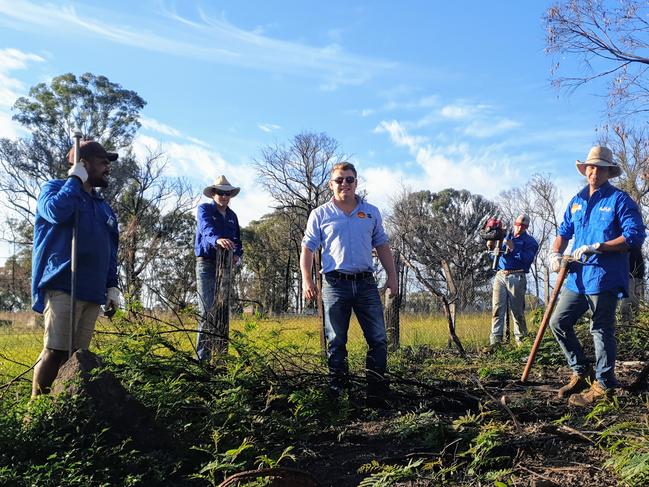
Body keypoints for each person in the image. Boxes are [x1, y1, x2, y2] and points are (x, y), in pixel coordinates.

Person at [548, 146, 645, 406]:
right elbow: (563, 232)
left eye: (600, 168)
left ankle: (605, 385)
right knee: (558, 322)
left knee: (601, 329)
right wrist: (555, 253)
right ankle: (581, 371)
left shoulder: (620, 200)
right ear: (585, 169)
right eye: (591, 167)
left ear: (608, 172)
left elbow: (635, 236)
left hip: (604, 276)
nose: (594, 172)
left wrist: (599, 246)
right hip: (576, 276)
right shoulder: (577, 200)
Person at [300, 162, 398, 407]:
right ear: (331, 184)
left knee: (378, 339)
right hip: (334, 284)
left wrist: (392, 277)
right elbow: (308, 248)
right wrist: (307, 279)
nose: (345, 184)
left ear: (357, 182)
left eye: (350, 179)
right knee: (336, 341)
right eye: (340, 180)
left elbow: (382, 245)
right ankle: (339, 395)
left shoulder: (371, 212)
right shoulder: (320, 214)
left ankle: (375, 394)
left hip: (365, 283)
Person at [31, 140, 120, 397]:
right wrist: (74, 181)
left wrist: (111, 285)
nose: (107, 168)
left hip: (92, 291)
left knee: (76, 357)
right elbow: (56, 212)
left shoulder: (103, 206)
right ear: (84, 162)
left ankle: (62, 411)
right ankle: (35, 412)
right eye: (103, 162)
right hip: (63, 283)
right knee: (55, 349)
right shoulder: (54, 189)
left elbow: (110, 249)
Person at [194, 175, 243, 362]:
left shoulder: (232, 216)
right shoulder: (204, 210)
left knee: (222, 311)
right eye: (220, 192)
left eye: (227, 193)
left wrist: (237, 254)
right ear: (213, 193)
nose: (224, 196)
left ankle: (221, 358)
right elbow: (206, 230)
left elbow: (238, 241)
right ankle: (203, 359)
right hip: (207, 264)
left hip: (226, 266)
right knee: (207, 311)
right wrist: (217, 240)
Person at [487, 214, 539, 345]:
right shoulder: (504, 237)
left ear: (526, 227)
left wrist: (514, 249)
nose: (519, 227)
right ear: (514, 223)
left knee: (517, 311)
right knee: (497, 309)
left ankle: (522, 342)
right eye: (517, 224)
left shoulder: (530, 242)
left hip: (516, 276)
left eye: (522, 226)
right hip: (500, 275)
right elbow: (492, 256)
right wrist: (491, 247)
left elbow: (528, 259)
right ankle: (495, 342)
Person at [619, 246, 644, 326]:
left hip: (635, 277)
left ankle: (631, 326)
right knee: (628, 302)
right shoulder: (630, 248)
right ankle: (627, 324)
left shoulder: (634, 248)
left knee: (632, 302)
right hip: (631, 277)